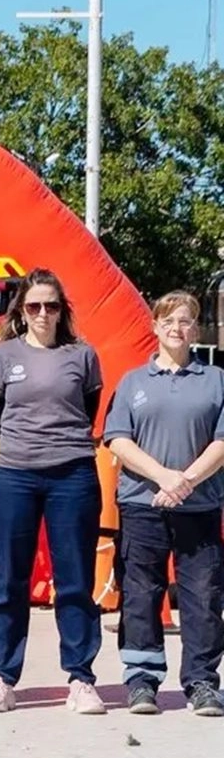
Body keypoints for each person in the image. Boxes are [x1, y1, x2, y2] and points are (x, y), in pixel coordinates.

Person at [0, 268, 106, 714]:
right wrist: (25, 450)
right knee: (7, 581)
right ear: (21, 311)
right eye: (34, 306)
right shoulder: (5, 355)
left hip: (72, 475)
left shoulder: (82, 355)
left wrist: (58, 446)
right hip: (15, 475)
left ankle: (81, 677)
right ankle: (2, 677)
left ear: (61, 310)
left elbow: (88, 408)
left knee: (75, 581)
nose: (42, 313)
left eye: (51, 305)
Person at [104, 290, 224, 717]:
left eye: (185, 320)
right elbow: (118, 439)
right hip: (142, 504)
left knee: (203, 597)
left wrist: (185, 482)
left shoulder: (216, 380)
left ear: (196, 329)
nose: (177, 328)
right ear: (155, 326)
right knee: (140, 594)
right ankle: (142, 681)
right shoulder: (133, 382)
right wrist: (164, 477)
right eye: (168, 320)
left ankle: (202, 682)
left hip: (200, 506)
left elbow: (222, 442)